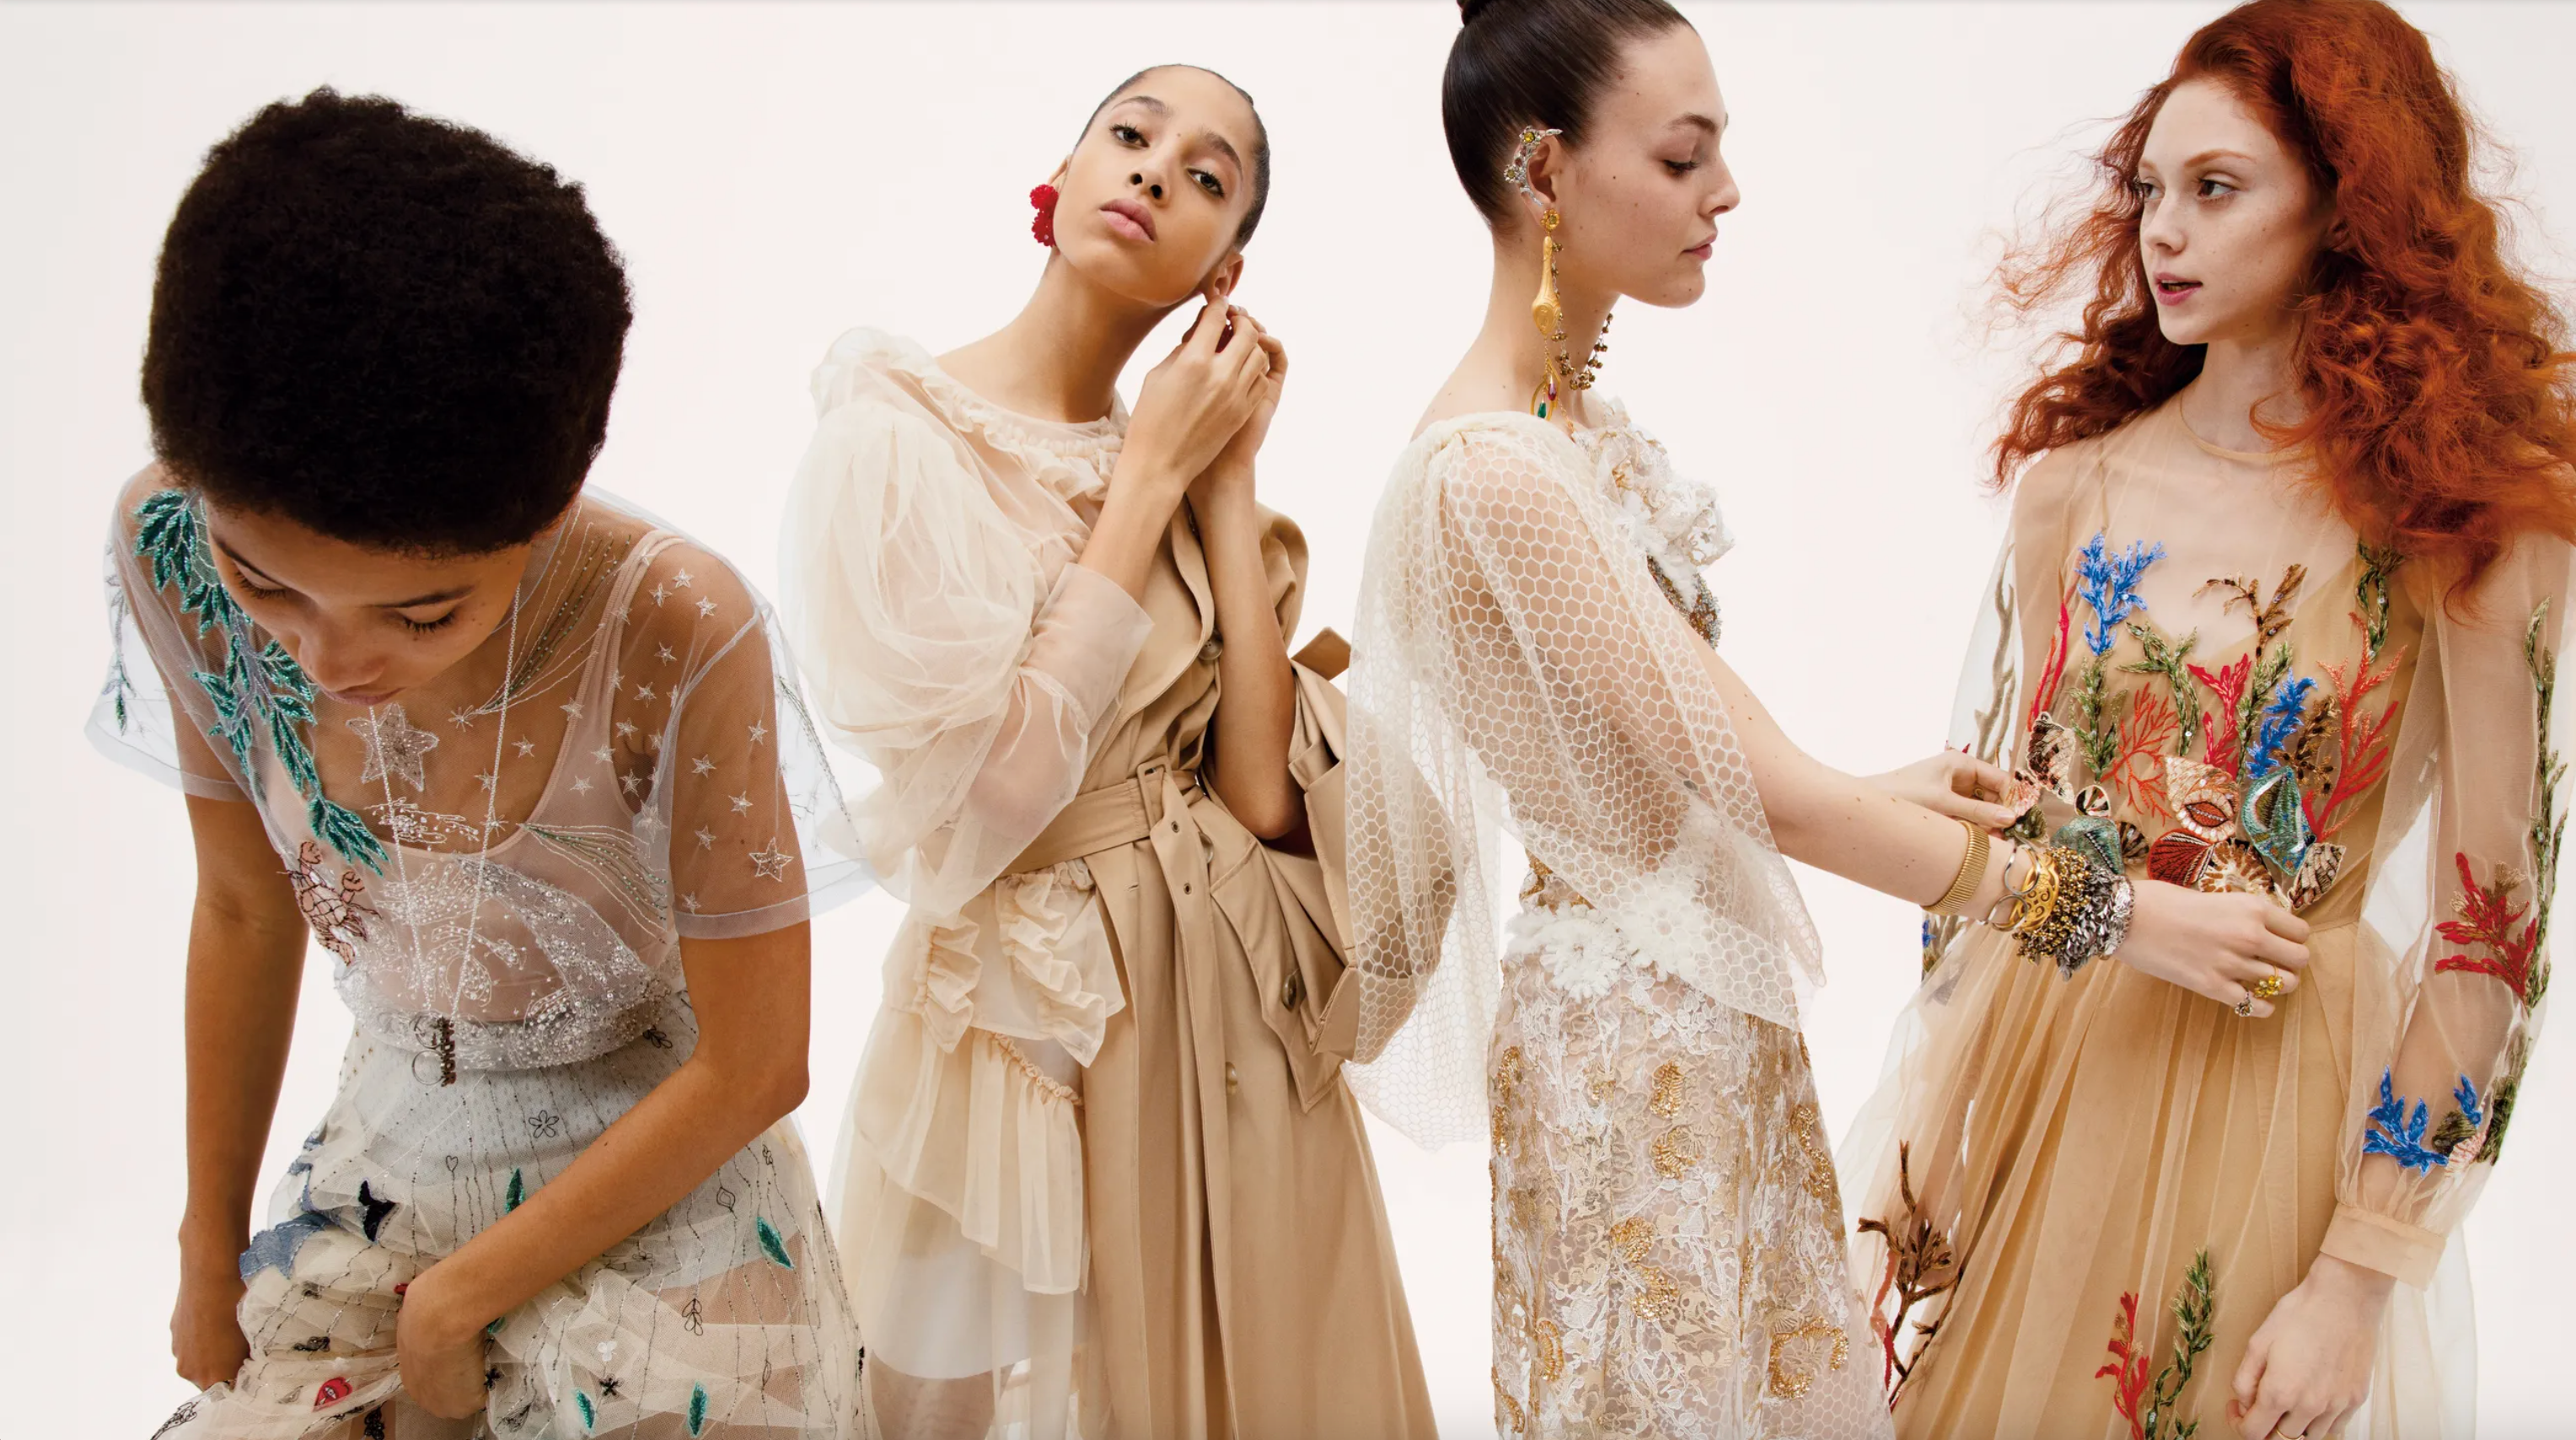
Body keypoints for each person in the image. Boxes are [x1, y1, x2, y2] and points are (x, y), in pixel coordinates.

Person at [1340, 3, 2310, 1437]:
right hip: (1627, 1059)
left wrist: (1898, 786)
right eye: (1684, 158)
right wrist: (2118, 919)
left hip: (1688, 1015)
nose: (1724, 192)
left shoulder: (1564, 438)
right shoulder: (1495, 473)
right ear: (1545, 173)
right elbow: (1769, 798)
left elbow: (1708, 767)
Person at [1838, 3, 2576, 1436]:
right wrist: (1938, 1139)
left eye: (2217, 188)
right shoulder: (2076, 490)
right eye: (2151, 190)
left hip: (2274, 1114)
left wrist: (2362, 1277)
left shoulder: (2465, 522)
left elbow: (2494, 925)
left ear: (2348, 206)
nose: (2162, 232)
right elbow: (1999, 834)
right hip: (2036, 1073)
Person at [96, 90, 872, 1439]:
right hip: (386, 1162)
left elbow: (756, 1064)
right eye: (266, 583)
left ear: (556, 506)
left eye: (423, 611)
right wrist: (203, 1247)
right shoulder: (170, 540)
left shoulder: (675, 622)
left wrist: (452, 1310)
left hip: (660, 1203)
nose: (333, 660)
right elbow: (240, 899)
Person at [779, 63, 1436, 1440]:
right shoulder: (900, 437)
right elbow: (991, 805)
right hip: (1019, 1025)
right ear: (1061, 177)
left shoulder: (1188, 458)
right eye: (1129, 138)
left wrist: (1224, 477)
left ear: (1225, 266)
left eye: (1205, 176)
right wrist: (1142, 481)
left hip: (1215, 1011)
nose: (1152, 174)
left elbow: (1260, 796)